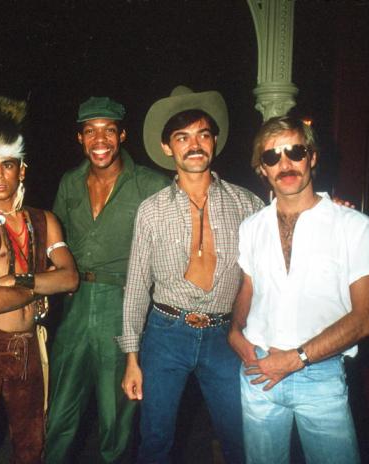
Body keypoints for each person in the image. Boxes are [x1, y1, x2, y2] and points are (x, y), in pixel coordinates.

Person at [228, 116, 369, 464]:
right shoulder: (251, 227)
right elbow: (249, 287)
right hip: (257, 370)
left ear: (312, 157)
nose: (284, 164)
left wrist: (296, 358)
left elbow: (368, 316)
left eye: (295, 152)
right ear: (261, 169)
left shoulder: (354, 227)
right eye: (272, 157)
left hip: (320, 376)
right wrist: (235, 330)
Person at [118, 86, 265, 463]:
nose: (194, 144)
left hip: (225, 336)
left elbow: (271, 270)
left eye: (202, 134)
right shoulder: (151, 211)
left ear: (214, 141)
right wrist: (132, 358)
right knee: (155, 441)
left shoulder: (248, 204)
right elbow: (136, 286)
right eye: (182, 137)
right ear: (168, 148)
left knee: (240, 438)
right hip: (166, 335)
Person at [0, 97, 79, 464]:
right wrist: (41, 283)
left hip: (29, 345)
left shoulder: (45, 220)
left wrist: (15, 280)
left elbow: (69, 278)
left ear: (22, 170)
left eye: (8, 166)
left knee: (30, 445)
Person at [46, 96, 170, 463]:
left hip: (123, 304)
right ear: (80, 139)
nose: (99, 139)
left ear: (122, 135)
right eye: (90, 131)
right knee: (58, 412)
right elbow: (54, 244)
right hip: (74, 302)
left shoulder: (151, 184)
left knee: (116, 418)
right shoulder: (69, 183)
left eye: (108, 130)